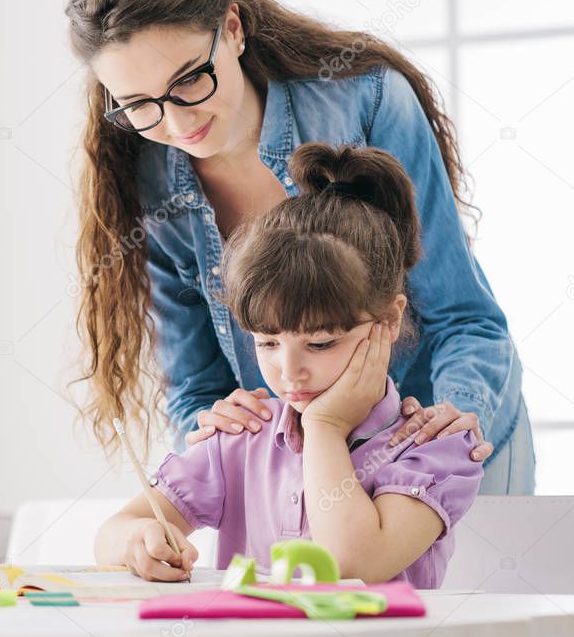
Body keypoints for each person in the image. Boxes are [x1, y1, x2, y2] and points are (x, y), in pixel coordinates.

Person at [65, 0, 534, 493]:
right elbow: (196, 390)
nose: (176, 121)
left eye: (191, 79)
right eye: (137, 105)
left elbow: (466, 321)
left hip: (445, 434)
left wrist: (452, 422)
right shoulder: (150, 181)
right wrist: (214, 426)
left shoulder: (365, 101)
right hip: (309, 474)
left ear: (233, 30)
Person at [94, 143, 484, 588]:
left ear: (389, 320)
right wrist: (138, 540)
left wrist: (325, 427)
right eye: (267, 341)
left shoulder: (436, 448)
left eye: (320, 343)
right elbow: (113, 532)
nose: (288, 370)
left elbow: (354, 564)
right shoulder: (244, 435)